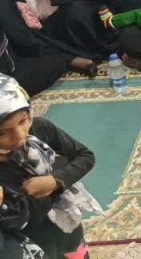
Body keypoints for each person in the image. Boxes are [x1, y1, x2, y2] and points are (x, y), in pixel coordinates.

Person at [0, 75, 101, 257]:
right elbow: (10, 223)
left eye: (23, 121)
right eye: (2, 133)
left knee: (75, 252)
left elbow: (85, 156)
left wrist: (56, 181)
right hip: (32, 236)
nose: (19, 136)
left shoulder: (40, 128)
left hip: (66, 220)